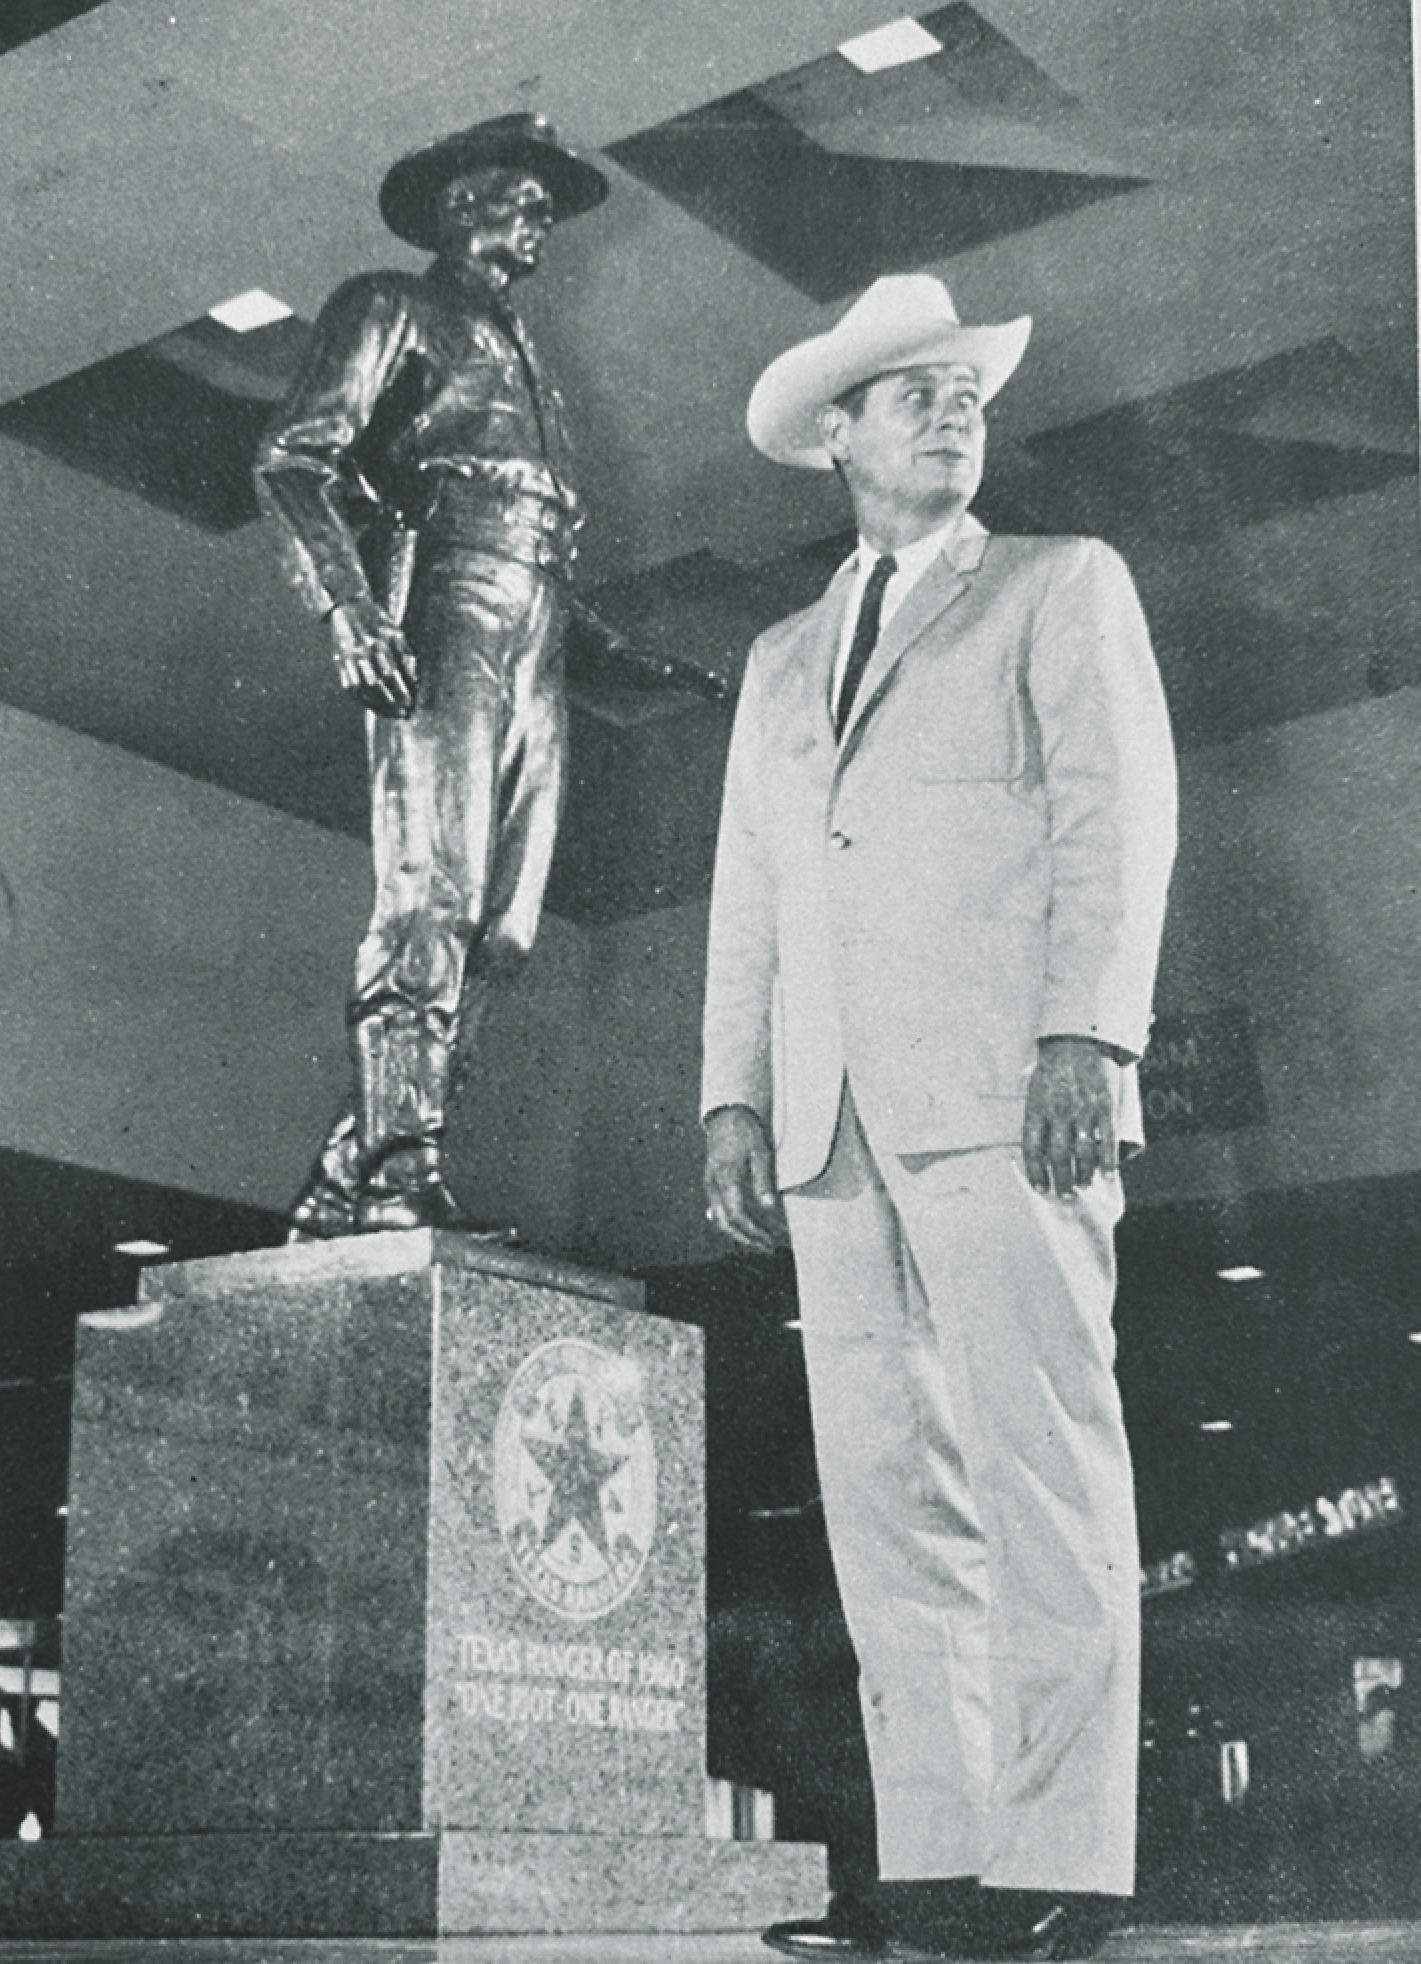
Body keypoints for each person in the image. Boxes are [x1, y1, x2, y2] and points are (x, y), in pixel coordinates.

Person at [702, 275, 1178, 1961]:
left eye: (964, 389)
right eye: (911, 392)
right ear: (836, 435)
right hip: (828, 1117)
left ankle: (1067, 1857)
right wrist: (732, 1092)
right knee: (885, 1493)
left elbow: (1122, 817)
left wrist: (1086, 1032)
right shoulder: (774, 660)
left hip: (1008, 1091)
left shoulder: (1059, 586)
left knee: (1040, 1466)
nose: (952, 409)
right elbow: (751, 892)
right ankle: (941, 1860)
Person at [255, 113, 608, 1237]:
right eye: (523, 194)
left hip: (535, 618)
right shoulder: (389, 306)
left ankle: (342, 1175)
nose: (540, 214)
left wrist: (609, 645)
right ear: (461, 206)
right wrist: (348, 604)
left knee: (504, 927)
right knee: (431, 894)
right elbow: (292, 459)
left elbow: (529, 517)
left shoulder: (525, 348)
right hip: (442, 596)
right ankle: (402, 1170)